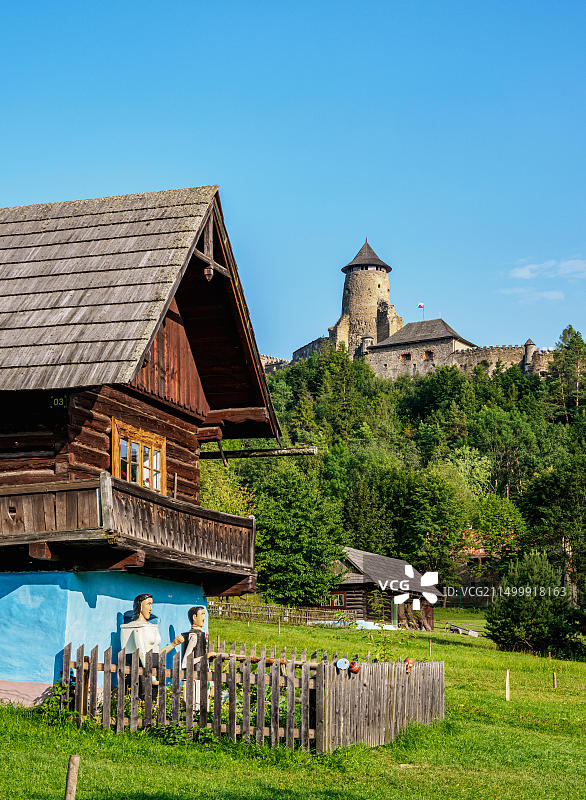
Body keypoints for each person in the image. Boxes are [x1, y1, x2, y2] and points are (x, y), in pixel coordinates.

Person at [120, 593, 184, 666]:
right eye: (148, 604)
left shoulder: (152, 627)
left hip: (151, 670)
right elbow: (140, 652)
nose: (151, 608)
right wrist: (149, 672)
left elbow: (156, 655)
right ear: (140, 606)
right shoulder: (132, 627)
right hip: (138, 671)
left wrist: (173, 644)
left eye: (151, 604)